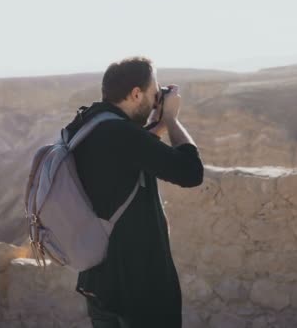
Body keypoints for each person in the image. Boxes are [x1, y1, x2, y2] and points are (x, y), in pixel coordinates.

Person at [64, 56, 204, 327]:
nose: (155, 99)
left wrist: (157, 123)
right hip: (139, 290)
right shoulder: (120, 134)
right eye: (154, 92)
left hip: (98, 283)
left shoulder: (87, 124)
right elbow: (191, 172)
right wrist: (172, 120)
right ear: (136, 93)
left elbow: (128, 156)